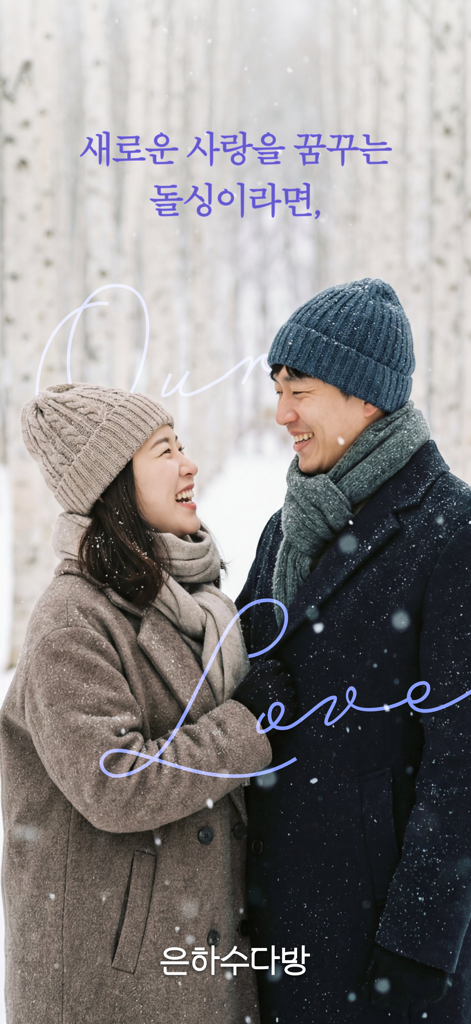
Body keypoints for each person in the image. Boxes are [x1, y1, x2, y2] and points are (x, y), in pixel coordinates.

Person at [0, 382, 285, 1024]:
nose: (188, 463)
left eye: (182, 445)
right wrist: (247, 725)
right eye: (164, 450)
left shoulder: (195, 604)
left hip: (192, 961)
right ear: (115, 486)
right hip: (109, 979)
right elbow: (115, 782)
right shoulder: (72, 621)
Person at [233, 278, 471, 1023]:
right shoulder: (285, 527)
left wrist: (417, 943)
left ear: (364, 397)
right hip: (279, 909)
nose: (281, 415)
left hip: (377, 934)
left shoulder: (448, 529)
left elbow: (459, 757)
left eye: (298, 389)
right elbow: (247, 655)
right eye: (277, 388)